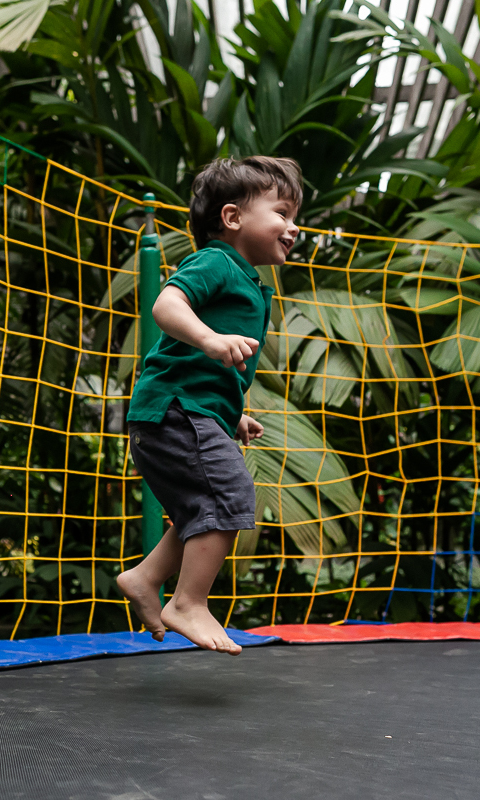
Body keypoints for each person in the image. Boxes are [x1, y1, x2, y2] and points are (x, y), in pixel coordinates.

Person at [116, 156, 301, 656]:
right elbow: (166, 305)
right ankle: (188, 602)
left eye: (294, 217)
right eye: (281, 213)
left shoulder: (248, 283)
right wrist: (210, 339)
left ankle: (146, 577)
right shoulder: (216, 262)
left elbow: (203, 374)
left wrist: (230, 415)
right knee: (230, 495)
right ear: (232, 217)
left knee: (203, 508)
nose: (293, 227)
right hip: (174, 412)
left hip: (185, 412)